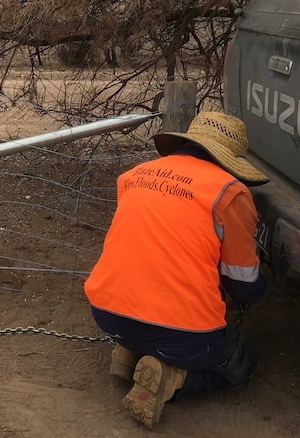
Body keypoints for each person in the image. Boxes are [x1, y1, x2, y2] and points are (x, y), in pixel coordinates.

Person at [83, 111, 268, 429]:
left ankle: (129, 351)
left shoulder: (136, 175)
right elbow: (243, 285)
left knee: (152, 310)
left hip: (107, 313)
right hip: (183, 335)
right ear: (230, 159)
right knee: (240, 361)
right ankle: (174, 377)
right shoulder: (230, 193)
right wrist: (265, 282)